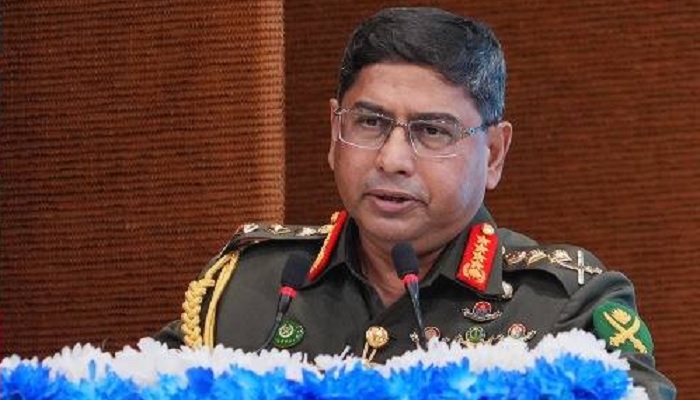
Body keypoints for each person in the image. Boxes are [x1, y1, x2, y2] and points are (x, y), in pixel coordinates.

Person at [155, 7, 675, 399]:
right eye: (370, 123)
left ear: (494, 154)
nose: (393, 159)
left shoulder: (562, 306)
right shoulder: (248, 286)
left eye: (432, 131)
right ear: (334, 134)